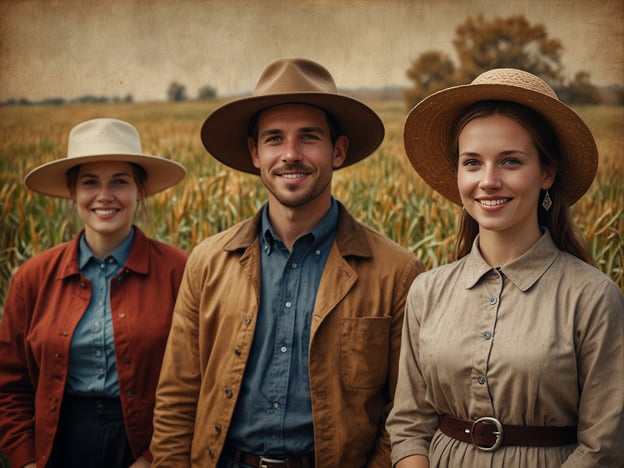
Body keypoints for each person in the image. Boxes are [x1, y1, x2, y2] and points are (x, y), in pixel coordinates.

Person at [150, 58, 424, 467]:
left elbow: (402, 413)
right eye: (274, 139)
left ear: (339, 151)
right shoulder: (208, 263)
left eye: (309, 137)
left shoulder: (396, 273)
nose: (290, 155)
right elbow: (177, 398)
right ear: (255, 153)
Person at [386, 68, 624, 467]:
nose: (489, 181)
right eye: (473, 163)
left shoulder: (594, 298)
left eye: (510, 162)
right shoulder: (427, 292)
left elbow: (604, 446)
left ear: (547, 173)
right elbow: (410, 424)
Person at [0, 118, 189, 468]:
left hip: (146, 444)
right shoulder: (32, 278)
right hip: (58, 442)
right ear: (72, 192)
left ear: (138, 190)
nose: (105, 196)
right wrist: (26, 460)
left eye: (120, 181)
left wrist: (153, 459)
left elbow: (198, 380)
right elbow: (9, 384)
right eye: (90, 183)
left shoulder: (182, 272)